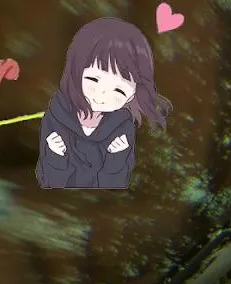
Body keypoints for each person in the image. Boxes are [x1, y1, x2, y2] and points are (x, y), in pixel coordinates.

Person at [36, 17, 170, 189]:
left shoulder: (122, 127)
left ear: (132, 95)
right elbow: (49, 182)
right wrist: (56, 156)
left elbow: (116, 186)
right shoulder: (56, 115)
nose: (102, 95)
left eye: (119, 91)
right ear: (74, 70)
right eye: (93, 79)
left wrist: (115, 159)